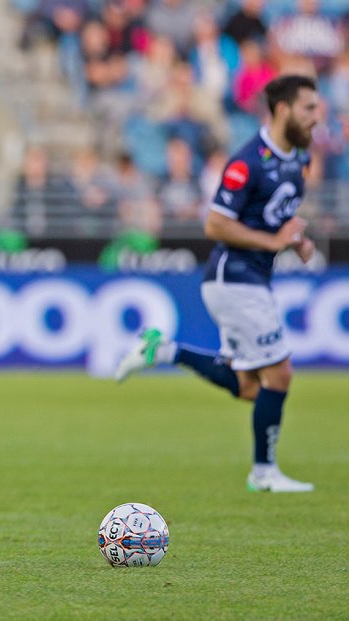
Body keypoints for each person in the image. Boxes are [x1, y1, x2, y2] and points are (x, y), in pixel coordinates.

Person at [116, 75, 320, 493]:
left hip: (252, 278)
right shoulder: (248, 162)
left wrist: (295, 242)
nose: (317, 118)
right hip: (234, 277)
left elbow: (273, 218)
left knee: (250, 387)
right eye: (308, 109)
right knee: (279, 374)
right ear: (282, 109)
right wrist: (275, 241)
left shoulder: (299, 158)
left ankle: (164, 349)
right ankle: (264, 473)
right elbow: (215, 224)